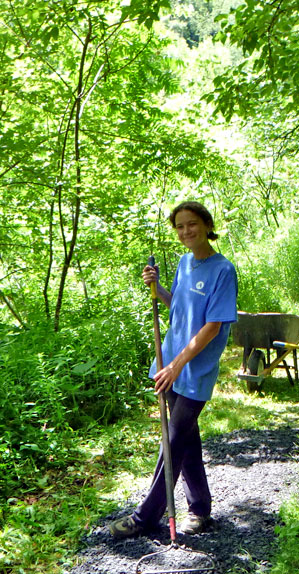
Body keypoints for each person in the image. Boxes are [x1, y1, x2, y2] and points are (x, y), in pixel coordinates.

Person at [109, 201, 238, 539]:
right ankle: (200, 509)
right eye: (179, 226)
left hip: (193, 370)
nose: (185, 232)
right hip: (169, 364)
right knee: (186, 440)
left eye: (191, 224)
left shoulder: (223, 270)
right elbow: (177, 308)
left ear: (207, 225)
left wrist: (178, 365)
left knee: (174, 439)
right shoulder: (184, 262)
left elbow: (212, 326)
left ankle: (145, 516)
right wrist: (157, 288)